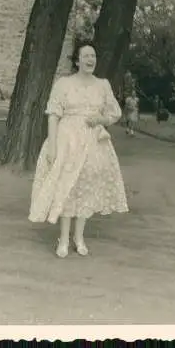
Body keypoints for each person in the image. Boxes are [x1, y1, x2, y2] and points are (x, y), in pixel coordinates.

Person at [28, 41, 128, 258]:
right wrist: (52, 147)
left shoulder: (103, 85)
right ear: (77, 60)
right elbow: (53, 115)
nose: (90, 59)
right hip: (67, 140)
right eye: (86, 56)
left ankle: (79, 238)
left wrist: (100, 119)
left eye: (93, 56)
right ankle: (63, 239)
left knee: (85, 186)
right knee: (67, 186)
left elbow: (115, 113)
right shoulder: (63, 84)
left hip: (93, 142)